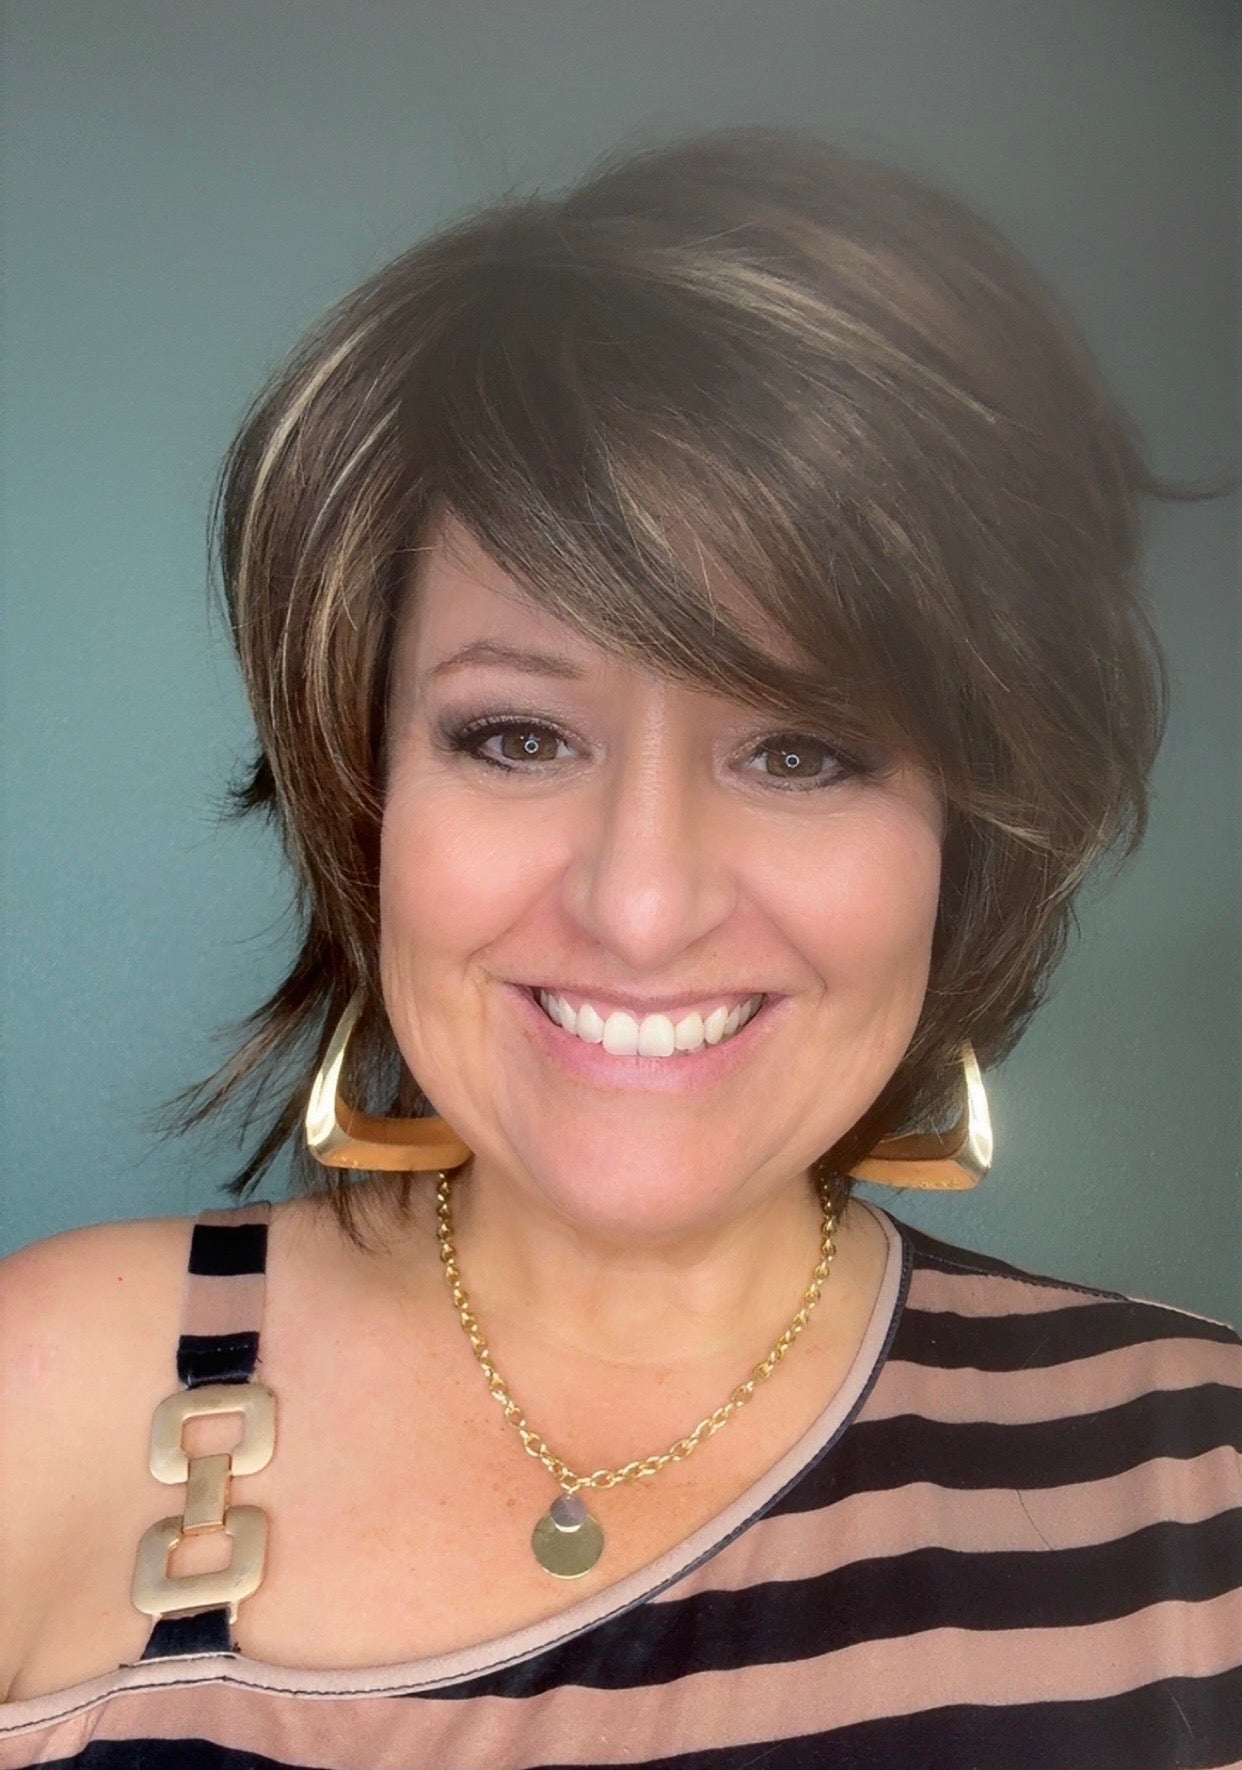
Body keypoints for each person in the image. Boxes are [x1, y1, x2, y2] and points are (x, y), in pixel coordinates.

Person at [0, 124, 1238, 1769]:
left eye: (800, 749)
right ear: (367, 791)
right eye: (517, 736)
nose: (642, 905)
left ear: (966, 833)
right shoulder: (45, 1395)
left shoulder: (1195, 1491)